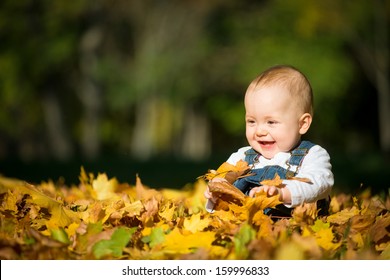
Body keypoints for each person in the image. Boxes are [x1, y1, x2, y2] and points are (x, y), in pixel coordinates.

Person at [204, 65, 334, 217]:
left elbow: (319, 184)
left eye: (271, 122)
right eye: (252, 121)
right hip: (248, 225)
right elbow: (224, 177)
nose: (259, 131)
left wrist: (283, 192)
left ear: (302, 124)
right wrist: (218, 191)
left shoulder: (312, 155)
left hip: (297, 228)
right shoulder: (243, 156)